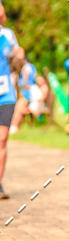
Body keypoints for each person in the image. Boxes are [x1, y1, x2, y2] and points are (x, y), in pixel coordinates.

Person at [0, 10, 18, 199]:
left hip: (5, 95)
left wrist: (18, 55)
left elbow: (15, 59)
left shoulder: (7, 34)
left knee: (2, 139)